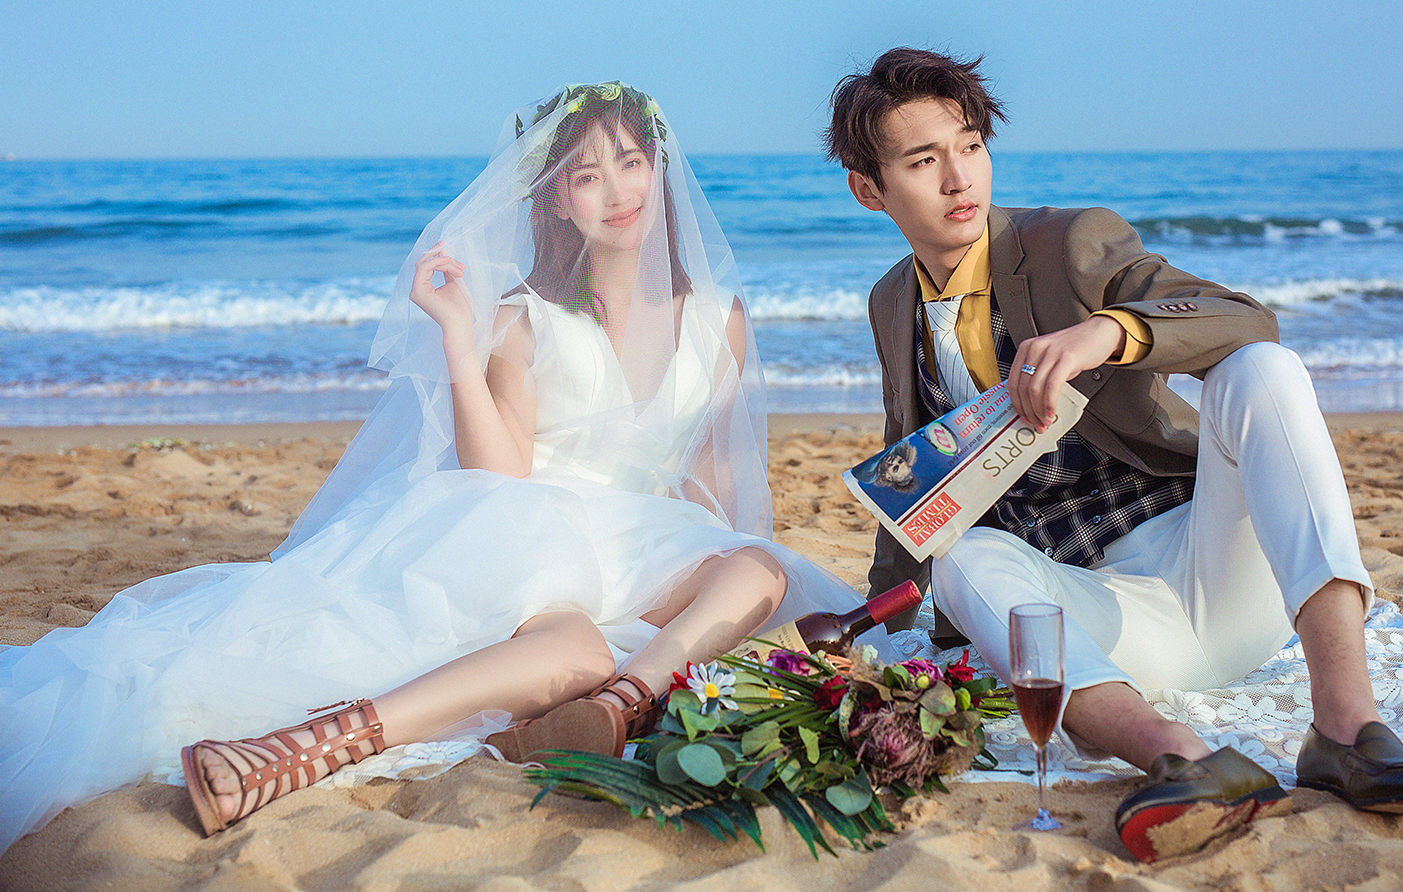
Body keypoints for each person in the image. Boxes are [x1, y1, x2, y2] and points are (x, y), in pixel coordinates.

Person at [0, 83, 882, 849]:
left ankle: (624, 701)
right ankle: (301, 749)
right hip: (530, 530)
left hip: (644, 543)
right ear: (556, 200)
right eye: (586, 175)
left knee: (757, 569)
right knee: (573, 646)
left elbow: (716, 484)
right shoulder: (525, 320)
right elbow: (497, 474)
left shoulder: (720, 319)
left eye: (630, 162)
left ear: (659, 167)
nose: (618, 191)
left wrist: (707, 585)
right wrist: (460, 341)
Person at [823, 49, 1403, 863]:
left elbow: (1242, 317)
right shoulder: (892, 302)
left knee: (1261, 370)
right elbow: (911, 473)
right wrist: (876, 629)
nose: (959, 179)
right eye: (923, 161)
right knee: (964, 559)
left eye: (971, 146)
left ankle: (1346, 726)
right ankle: (1182, 759)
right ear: (869, 189)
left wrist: (1109, 331)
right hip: (1101, 624)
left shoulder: (1067, 242)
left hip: (1212, 565)